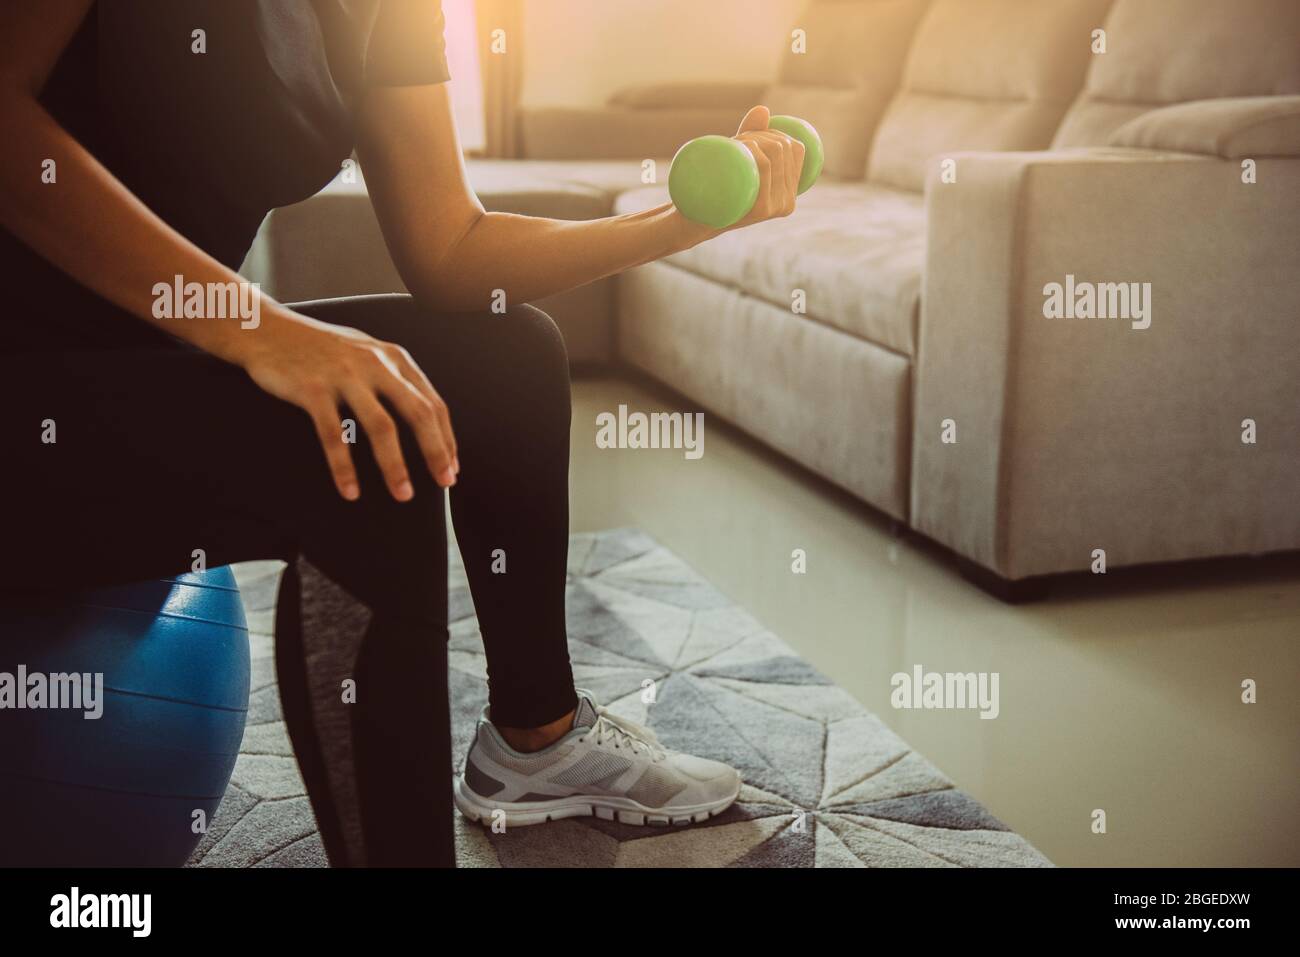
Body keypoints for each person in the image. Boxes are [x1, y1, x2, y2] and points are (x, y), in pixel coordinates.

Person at [0, 0, 805, 866]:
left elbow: (452, 247)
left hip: (149, 370)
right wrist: (255, 326)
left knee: (508, 353)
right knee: (359, 444)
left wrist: (679, 224)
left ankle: (537, 742)